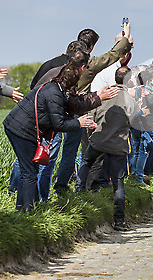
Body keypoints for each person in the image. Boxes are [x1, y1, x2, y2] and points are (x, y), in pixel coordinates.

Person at [3, 51, 96, 212]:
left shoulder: (56, 89)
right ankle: (27, 212)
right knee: (29, 172)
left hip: (23, 127)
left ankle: (25, 210)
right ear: (71, 83)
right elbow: (59, 123)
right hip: (20, 129)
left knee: (30, 171)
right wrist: (78, 123)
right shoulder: (55, 94)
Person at [54, 23, 132, 194]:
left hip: (55, 107)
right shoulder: (89, 64)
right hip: (78, 110)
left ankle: (37, 191)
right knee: (75, 151)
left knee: (51, 150)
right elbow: (113, 55)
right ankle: (64, 187)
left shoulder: (60, 60)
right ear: (91, 47)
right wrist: (126, 35)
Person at [75, 67, 136, 231]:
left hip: (99, 139)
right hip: (118, 144)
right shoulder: (130, 100)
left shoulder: (104, 93)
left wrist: (92, 136)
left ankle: (78, 196)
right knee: (118, 182)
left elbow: (91, 116)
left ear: (115, 77)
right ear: (129, 80)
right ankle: (119, 220)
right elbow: (133, 123)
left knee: (86, 162)